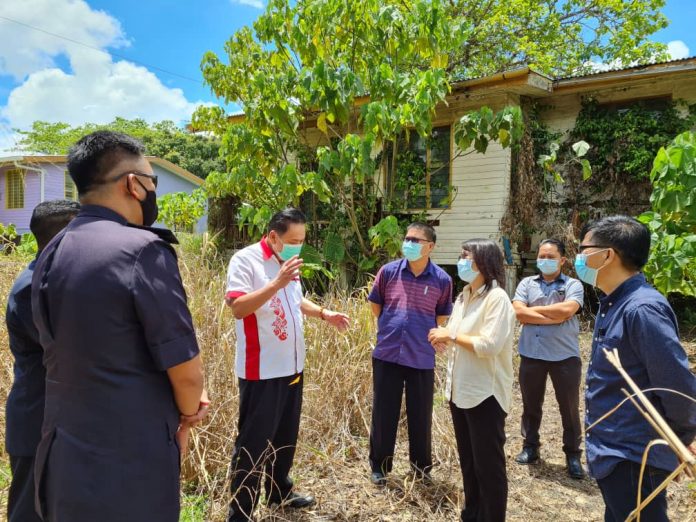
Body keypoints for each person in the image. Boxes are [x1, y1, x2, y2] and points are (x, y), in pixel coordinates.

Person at [31, 131, 207, 522]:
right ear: (134, 184)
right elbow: (187, 373)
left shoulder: (52, 251)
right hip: (128, 463)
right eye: (151, 181)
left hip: (63, 456)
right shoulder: (143, 251)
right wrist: (190, 412)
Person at [224, 207, 350, 522]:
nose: (299, 246)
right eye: (293, 240)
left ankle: (280, 492)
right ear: (273, 237)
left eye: (303, 240)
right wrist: (276, 283)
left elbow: (295, 301)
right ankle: (241, 511)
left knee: (285, 436)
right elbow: (238, 307)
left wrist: (324, 313)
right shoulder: (246, 260)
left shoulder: (287, 264)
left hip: (292, 368)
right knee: (253, 442)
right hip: (262, 370)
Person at [578, 215, 696, 522]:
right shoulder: (613, 303)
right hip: (614, 450)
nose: (579, 257)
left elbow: (675, 383)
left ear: (607, 255)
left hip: (633, 453)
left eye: (584, 249)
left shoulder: (641, 308)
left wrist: (682, 438)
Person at [428, 238, 515, 522]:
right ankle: (472, 514)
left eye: (467, 256)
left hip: (485, 394)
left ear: (483, 262)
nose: (462, 260)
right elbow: (455, 333)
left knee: (488, 466)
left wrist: (450, 336)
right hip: (460, 390)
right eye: (461, 254)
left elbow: (489, 344)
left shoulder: (497, 298)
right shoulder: (464, 294)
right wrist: (442, 338)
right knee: (469, 461)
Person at [5, 200, 80, 522]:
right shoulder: (29, 291)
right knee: (29, 513)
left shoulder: (56, 284)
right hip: (37, 423)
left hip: (59, 423)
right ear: (63, 238)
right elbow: (75, 352)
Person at [367, 222, 453, 485]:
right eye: (407, 238)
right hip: (388, 353)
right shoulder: (388, 272)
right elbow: (375, 306)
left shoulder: (442, 280)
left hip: (421, 356)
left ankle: (421, 468)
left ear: (430, 246)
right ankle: (380, 467)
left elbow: (441, 317)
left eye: (416, 240)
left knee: (420, 414)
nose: (409, 243)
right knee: (384, 412)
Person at [512, 238, 585, 479]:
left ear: (562, 260)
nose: (544, 260)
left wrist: (533, 313)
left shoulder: (574, 284)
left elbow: (567, 310)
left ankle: (573, 454)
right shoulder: (526, 283)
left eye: (550, 257)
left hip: (564, 356)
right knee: (531, 406)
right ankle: (530, 447)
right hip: (532, 354)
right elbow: (518, 312)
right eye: (541, 256)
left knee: (569, 408)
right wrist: (552, 316)